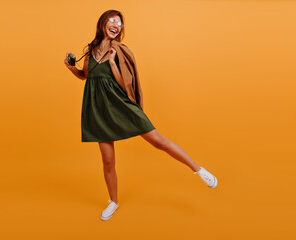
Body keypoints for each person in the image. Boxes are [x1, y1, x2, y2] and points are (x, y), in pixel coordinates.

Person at [64, 9, 218, 221]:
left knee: (158, 141)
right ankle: (114, 202)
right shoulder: (90, 51)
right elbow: (86, 77)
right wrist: (70, 67)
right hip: (98, 108)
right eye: (112, 21)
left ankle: (199, 170)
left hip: (120, 104)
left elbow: (124, 84)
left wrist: (111, 62)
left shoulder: (120, 50)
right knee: (108, 161)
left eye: (120, 23)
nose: (117, 25)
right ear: (103, 24)